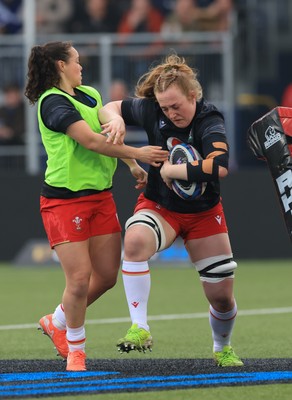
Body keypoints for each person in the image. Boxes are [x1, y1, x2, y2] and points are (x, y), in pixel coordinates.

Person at [24, 41, 168, 372]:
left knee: (105, 277)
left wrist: (129, 164)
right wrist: (139, 154)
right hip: (64, 200)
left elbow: (107, 133)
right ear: (61, 65)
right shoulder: (52, 102)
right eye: (76, 61)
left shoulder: (88, 93)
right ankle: (76, 350)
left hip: (100, 196)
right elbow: (89, 140)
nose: (81, 66)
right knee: (78, 279)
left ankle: (56, 320)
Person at [98, 53, 243, 367]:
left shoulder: (209, 118)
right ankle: (140, 327)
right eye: (165, 108)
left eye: (176, 106)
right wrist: (116, 119)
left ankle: (222, 347)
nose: (170, 113)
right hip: (160, 206)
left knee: (221, 297)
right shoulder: (152, 110)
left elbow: (219, 165)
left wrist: (170, 171)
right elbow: (108, 107)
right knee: (134, 240)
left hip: (204, 212)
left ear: (193, 95)